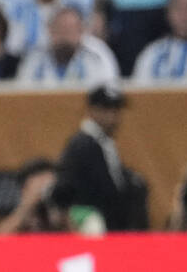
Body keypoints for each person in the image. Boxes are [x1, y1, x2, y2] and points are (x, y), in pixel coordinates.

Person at [56, 85, 148, 231]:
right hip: (91, 218)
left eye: (116, 110)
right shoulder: (83, 145)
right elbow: (71, 187)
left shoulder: (102, 142)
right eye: (107, 109)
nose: (113, 116)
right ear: (92, 110)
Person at [16, 5, 118, 87]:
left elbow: (109, 91)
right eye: (59, 30)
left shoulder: (98, 56)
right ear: (49, 31)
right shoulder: (35, 57)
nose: (64, 36)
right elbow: (22, 92)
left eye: (69, 30)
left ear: (81, 31)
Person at [133, 0, 187, 85]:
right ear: (168, 13)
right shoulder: (152, 53)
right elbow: (139, 93)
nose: (185, 16)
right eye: (178, 9)